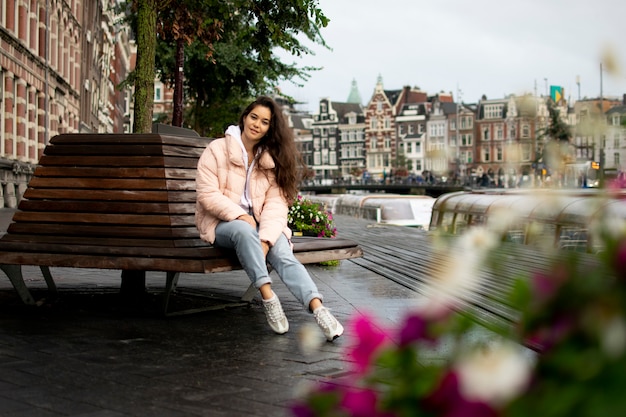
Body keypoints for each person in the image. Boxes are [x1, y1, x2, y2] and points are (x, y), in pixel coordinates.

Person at [195, 96, 344, 341]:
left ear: (269, 129)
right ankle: (268, 297)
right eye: (254, 117)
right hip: (221, 224)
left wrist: (265, 239)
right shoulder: (217, 149)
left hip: (260, 226)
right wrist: (241, 215)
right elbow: (207, 195)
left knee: (283, 252)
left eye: (264, 122)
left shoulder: (269, 161)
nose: (257, 124)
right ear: (244, 117)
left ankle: (319, 309)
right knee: (242, 230)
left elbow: (276, 206)